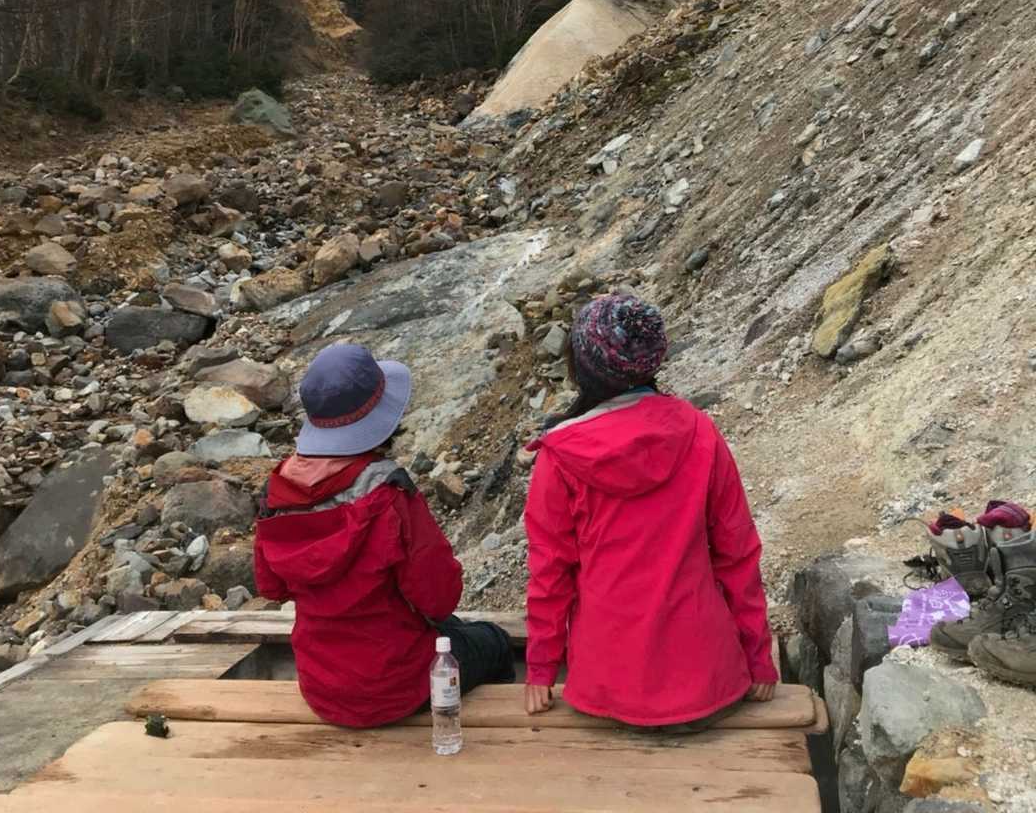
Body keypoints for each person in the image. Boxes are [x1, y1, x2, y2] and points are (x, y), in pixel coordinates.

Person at [523, 294, 777, 727]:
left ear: (583, 367)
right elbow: (738, 553)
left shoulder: (562, 454)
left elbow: (550, 572)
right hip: (709, 684)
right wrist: (758, 658)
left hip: (607, 690)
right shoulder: (699, 430)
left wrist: (541, 669)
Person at [254, 342, 514, 727]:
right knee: (493, 642)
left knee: (453, 629)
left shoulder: (276, 495)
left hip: (322, 688)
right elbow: (439, 598)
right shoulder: (389, 495)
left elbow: (271, 587)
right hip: (398, 687)